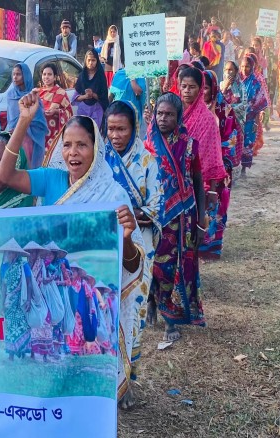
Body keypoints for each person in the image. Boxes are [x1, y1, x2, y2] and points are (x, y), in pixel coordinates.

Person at [0, 91, 146, 402]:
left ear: (96, 149)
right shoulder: (52, 179)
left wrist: (126, 239)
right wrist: (23, 122)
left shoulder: (112, 195)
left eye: (82, 145)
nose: (73, 153)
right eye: (67, 145)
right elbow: (5, 175)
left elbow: (132, 266)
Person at [104, 100, 161, 406]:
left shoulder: (147, 162)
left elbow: (156, 206)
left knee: (131, 312)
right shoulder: (99, 159)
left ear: (134, 128)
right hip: (106, 243)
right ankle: (104, 380)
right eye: (111, 129)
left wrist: (130, 215)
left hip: (139, 246)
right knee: (105, 310)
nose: (115, 135)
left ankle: (126, 383)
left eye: (122, 129)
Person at [143, 92, 207, 342]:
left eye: (169, 114)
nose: (163, 118)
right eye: (159, 113)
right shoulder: (147, 145)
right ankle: (152, 301)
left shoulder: (189, 145)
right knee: (154, 265)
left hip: (183, 218)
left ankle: (170, 318)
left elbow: (198, 181)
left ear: (178, 117)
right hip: (155, 217)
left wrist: (201, 220)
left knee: (174, 268)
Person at [177, 67, 227, 212]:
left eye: (192, 87)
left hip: (199, 183)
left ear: (200, 89)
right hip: (173, 181)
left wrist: (212, 190)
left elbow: (213, 156)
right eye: (184, 86)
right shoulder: (173, 112)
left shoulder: (207, 119)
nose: (187, 91)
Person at [201, 70, 237, 259]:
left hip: (220, 168)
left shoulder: (225, 111)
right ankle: (200, 244)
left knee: (217, 206)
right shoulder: (193, 110)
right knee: (201, 205)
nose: (203, 92)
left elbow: (231, 140)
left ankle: (214, 246)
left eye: (206, 88)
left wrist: (214, 152)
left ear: (213, 88)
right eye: (201, 88)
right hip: (199, 168)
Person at [0, 238, 33, 360]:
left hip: (21, 301)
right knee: (11, 327)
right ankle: (11, 355)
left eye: (11, 252)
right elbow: (4, 287)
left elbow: (29, 283)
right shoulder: (4, 267)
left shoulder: (23, 265)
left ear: (16, 254)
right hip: (9, 302)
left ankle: (23, 353)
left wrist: (28, 300)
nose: (9, 254)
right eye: (7, 252)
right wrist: (2, 304)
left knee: (23, 326)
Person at [6, 63, 48, 167]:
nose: (15, 77)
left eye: (18, 74)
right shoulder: (11, 95)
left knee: (28, 165)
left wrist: (25, 124)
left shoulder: (32, 96)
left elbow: (39, 120)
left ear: (26, 76)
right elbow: (10, 117)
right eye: (13, 74)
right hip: (14, 136)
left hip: (29, 137)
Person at [24, 241, 55, 361]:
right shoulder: (25, 265)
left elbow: (49, 276)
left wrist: (50, 278)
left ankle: (45, 354)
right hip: (28, 296)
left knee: (45, 322)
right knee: (31, 324)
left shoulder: (42, 264)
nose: (32, 255)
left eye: (34, 252)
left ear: (37, 253)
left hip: (40, 296)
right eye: (30, 252)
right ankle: (32, 353)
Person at [239, 55, 268, 175]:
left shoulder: (256, 83)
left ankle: (244, 168)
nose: (244, 69)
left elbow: (260, 104)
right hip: (237, 119)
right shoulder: (236, 82)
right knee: (235, 142)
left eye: (247, 66)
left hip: (250, 119)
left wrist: (256, 122)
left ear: (252, 67)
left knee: (247, 143)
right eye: (242, 66)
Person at [39, 63, 74, 152]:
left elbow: (69, 113)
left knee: (50, 156)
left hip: (54, 134)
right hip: (39, 132)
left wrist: (57, 112)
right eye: (44, 74)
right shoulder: (38, 92)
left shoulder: (60, 92)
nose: (46, 77)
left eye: (49, 74)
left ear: (54, 77)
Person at [74, 49, 110, 130]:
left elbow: (104, 98)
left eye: (93, 60)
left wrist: (93, 94)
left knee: (94, 134)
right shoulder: (82, 76)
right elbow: (75, 98)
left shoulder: (101, 77)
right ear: (85, 61)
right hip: (83, 111)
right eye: (89, 60)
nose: (91, 63)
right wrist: (85, 96)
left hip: (97, 111)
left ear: (97, 61)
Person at [221, 60, 247, 171]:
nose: (228, 72)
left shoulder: (241, 86)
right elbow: (218, 101)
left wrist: (231, 108)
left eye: (231, 70)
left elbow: (244, 104)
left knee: (235, 146)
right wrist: (225, 87)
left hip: (236, 122)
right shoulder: (221, 85)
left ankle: (234, 169)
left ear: (236, 71)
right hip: (224, 123)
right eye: (226, 70)